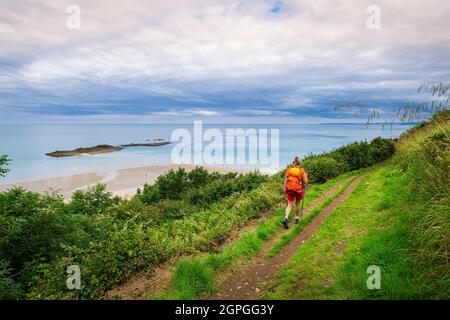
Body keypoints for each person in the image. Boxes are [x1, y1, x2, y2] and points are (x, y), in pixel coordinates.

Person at [283, 156, 308, 229]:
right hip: (298, 190)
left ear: (293, 163)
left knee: (289, 205)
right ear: (299, 163)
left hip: (289, 189)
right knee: (297, 203)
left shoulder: (289, 170)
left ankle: (286, 218)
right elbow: (306, 181)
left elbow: (285, 180)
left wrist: (285, 188)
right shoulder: (301, 170)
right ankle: (296, 218)